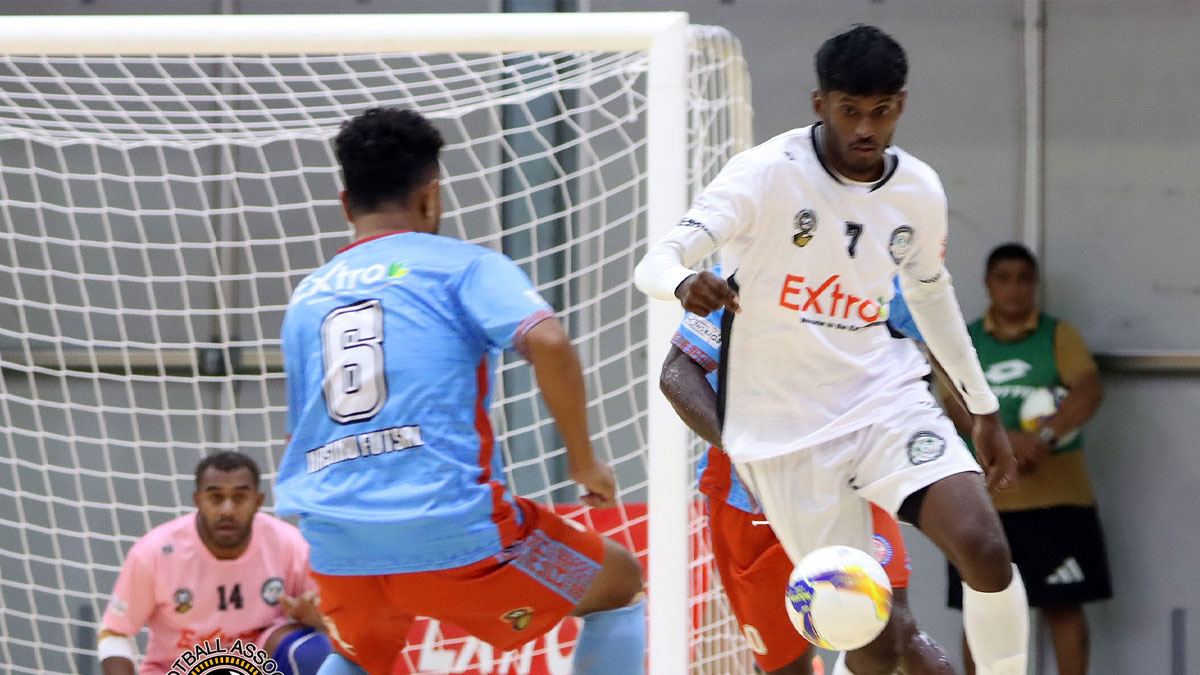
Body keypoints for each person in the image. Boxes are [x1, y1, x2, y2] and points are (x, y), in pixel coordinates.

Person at [634, 25, 1029, 675]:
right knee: (860, 640)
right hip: (774, 458)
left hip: (879, 415)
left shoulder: (915, 199)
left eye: (881, 111)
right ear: (821, 104)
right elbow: (664, 294)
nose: (866, 129)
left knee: (981, 549)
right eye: (851, 111)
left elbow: (933, 301)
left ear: (900, 105)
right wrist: (682, 281)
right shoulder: (763, 185)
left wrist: (981, 411)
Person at [274, 107, 645, 675]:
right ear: (432, 197)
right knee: (618, 581)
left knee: (359, 656)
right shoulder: (462, 267)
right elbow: (547, 341)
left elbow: (298, 428)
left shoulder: (307, 296)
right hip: (458, 537)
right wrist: (584, 461)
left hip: (339, 548)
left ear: (347, 205)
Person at [661, 265, 955, 675]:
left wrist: (977, 418)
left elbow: (942, 343)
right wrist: (742, 450)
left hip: (851, 478)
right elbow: (677, 373)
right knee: (787, 668)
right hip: (751, 502)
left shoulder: (876, 262)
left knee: (893, 635)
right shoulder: (740, 273)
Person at [940, 243, 1110, 675]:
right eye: (1003, 277)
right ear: (987, 284)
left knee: (1064, 610)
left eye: (1024, 278)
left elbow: (1087, 389)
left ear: (1034, 284)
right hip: (984, 505)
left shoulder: (1059, 335)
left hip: (1058, 502)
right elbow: (956, 406)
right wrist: (1013, 441)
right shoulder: (968, 339)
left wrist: (1046, 437)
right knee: (983, 612)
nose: (1014, 288)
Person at [98, 452, 331, 675]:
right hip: (179, 670)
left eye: (239, 497)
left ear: (258, 501)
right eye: (216, 497)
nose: (227, 510)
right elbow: (115, 633)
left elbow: (338, 626)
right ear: (198, 500)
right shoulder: (155, 552)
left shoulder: (289, 545)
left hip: (254, 668)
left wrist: (318, 619)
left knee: (311, 649)